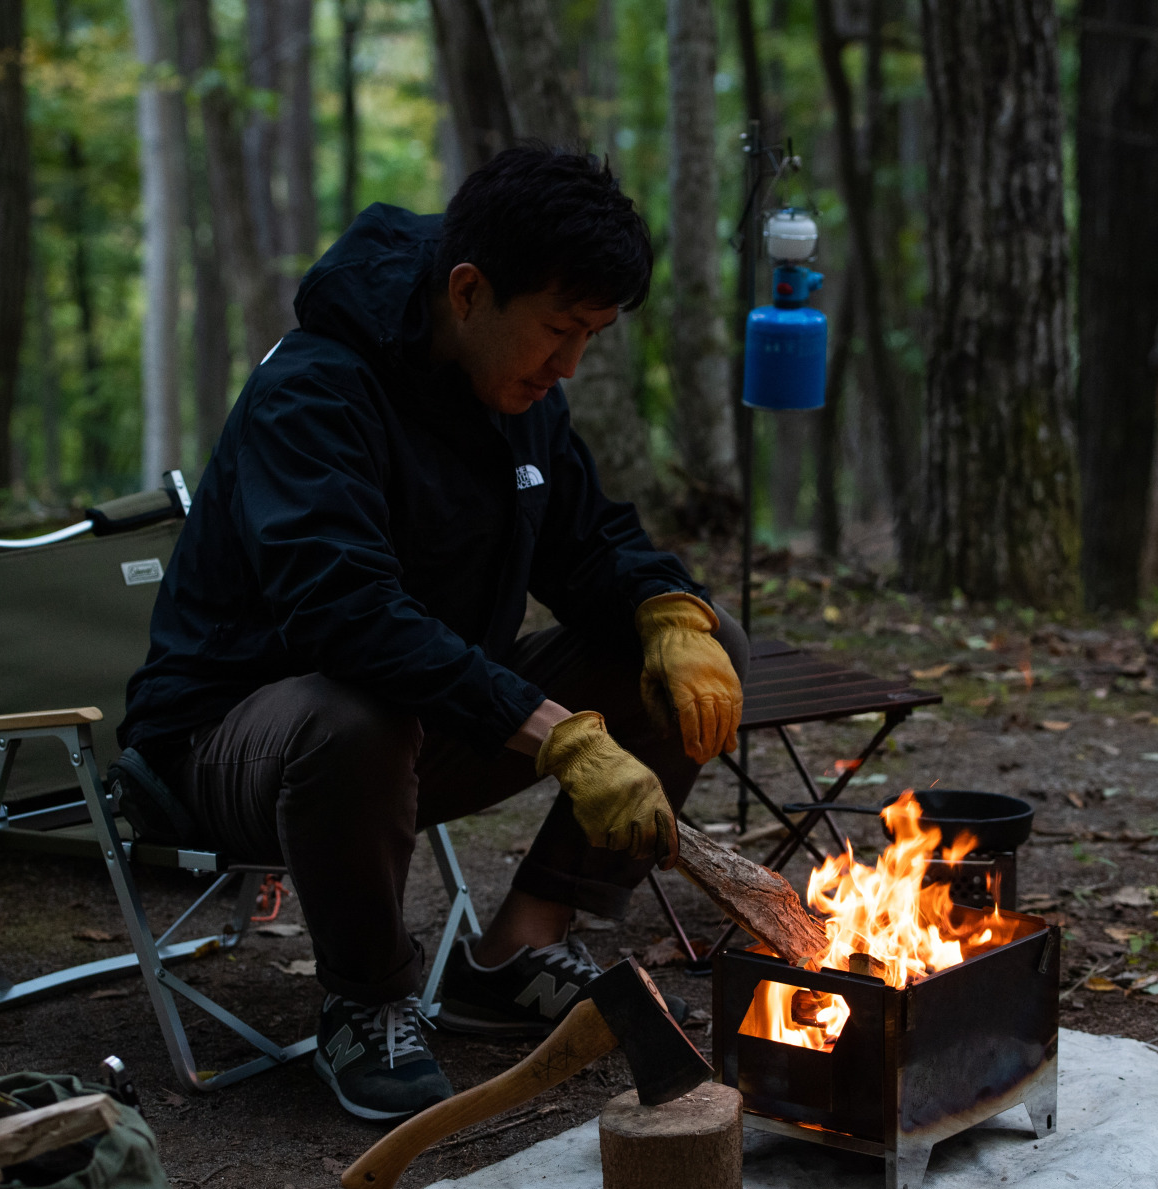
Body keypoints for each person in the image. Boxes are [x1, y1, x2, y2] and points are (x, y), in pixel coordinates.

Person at [110, 144, 746, 1122]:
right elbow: (345, 615)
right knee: (354, 711)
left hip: (415, 727)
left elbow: (587, 544)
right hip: (234, 744)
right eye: (558, 331)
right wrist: (556, 734)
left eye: (593, 337)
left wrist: (670, 612)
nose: (569, 363)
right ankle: (366, 1002)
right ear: (467, 291)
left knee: (689, 648)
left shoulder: (515, 387)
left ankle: (516, 952)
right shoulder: (317, 391)